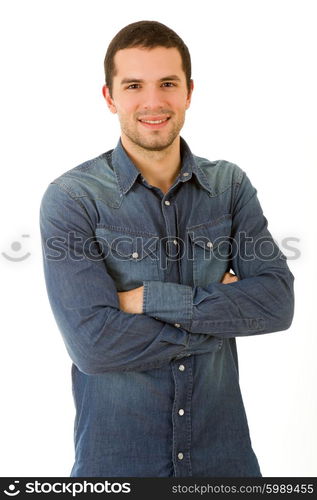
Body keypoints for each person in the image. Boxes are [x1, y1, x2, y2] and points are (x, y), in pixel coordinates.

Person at [39, 20, 295, 477]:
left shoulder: (229, 187)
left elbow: (276, 304)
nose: (153, 102)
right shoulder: (73, 199)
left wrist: (147, 300)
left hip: (226, 465)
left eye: (168, 84)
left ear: (189, 92)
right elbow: (94, 345)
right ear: (109, 97)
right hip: (117, 468)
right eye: (134, 85)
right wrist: (221, 317)